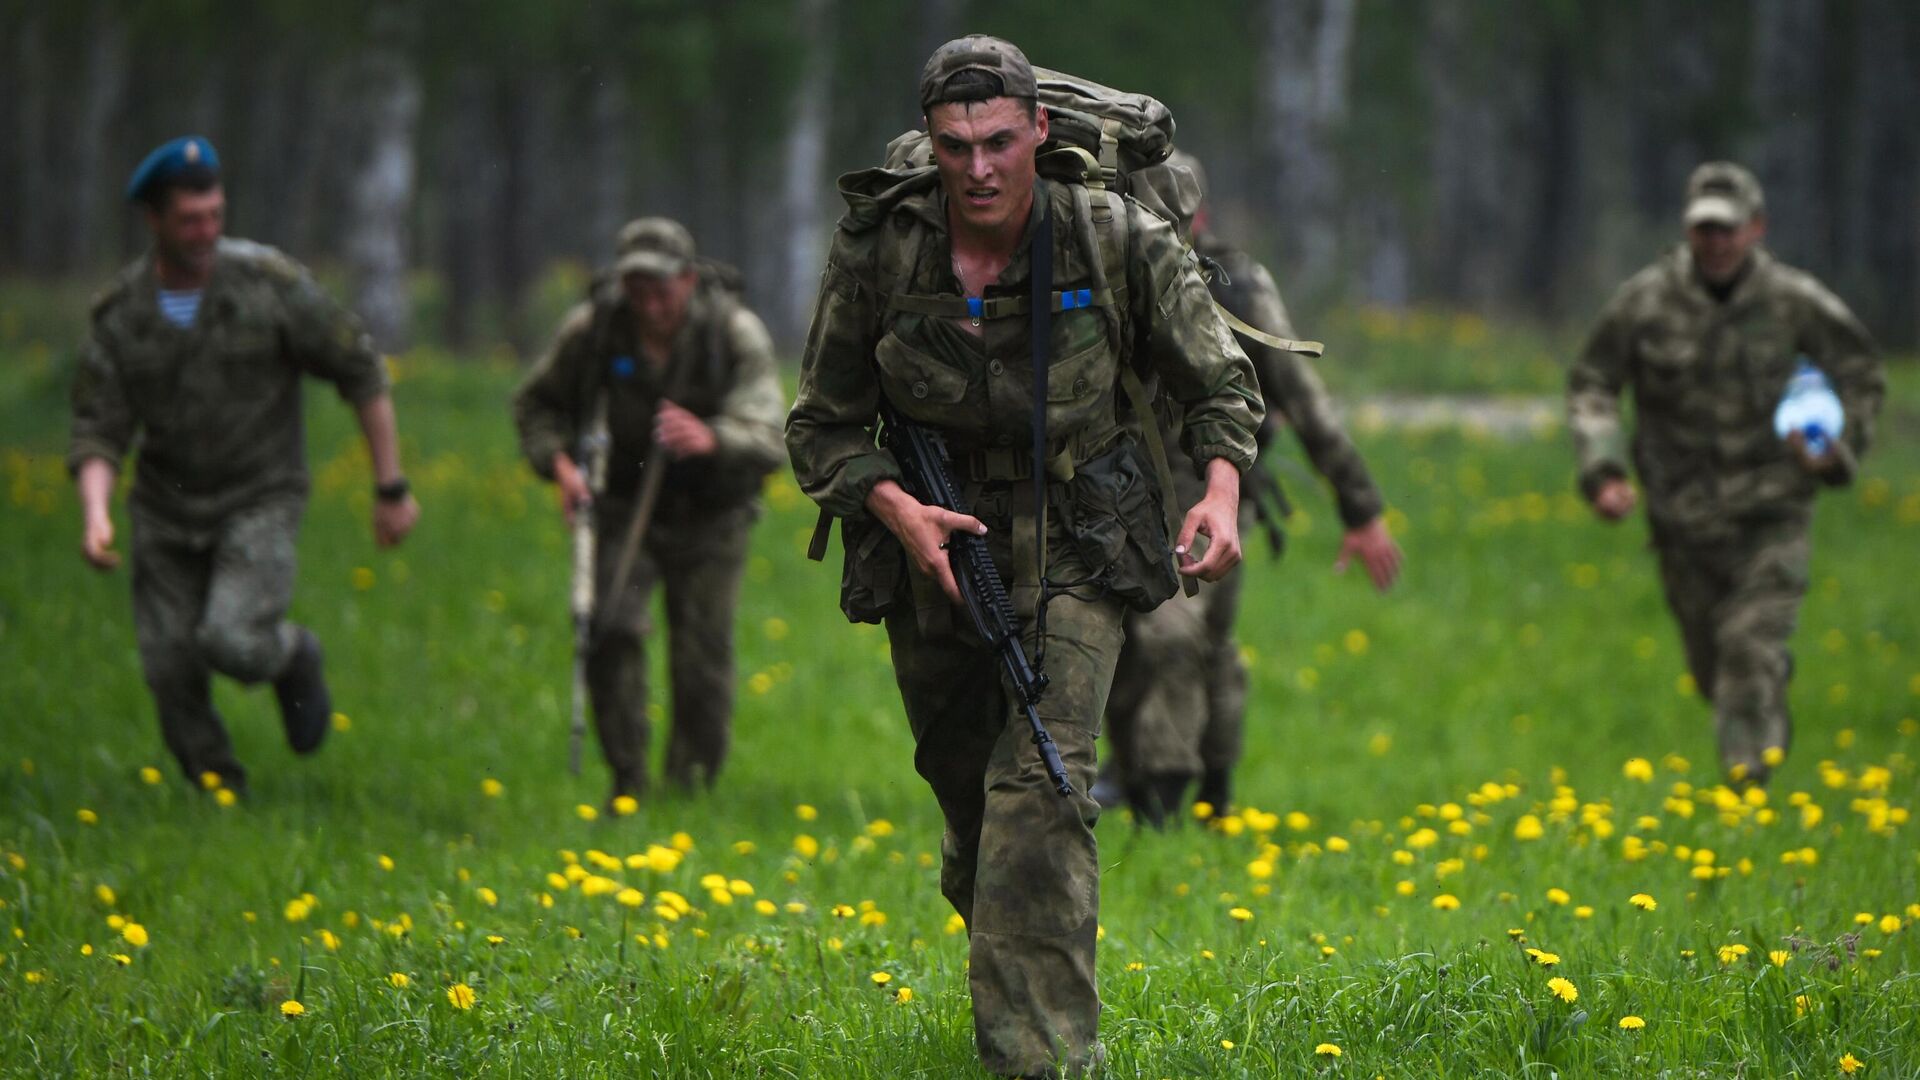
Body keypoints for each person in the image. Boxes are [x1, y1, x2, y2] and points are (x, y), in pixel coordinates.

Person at [786, 36, 1263, 1078]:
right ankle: (1002, 918)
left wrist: (1220, 491)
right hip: (933, 552)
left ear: (1039, 133)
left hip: (1082, 538)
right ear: (931, 146)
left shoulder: (1109, 234)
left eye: (1000, 141)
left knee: (1042, 796)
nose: (980, 169)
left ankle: (1042, 1062)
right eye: (956, 147)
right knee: (976, 808)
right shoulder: (881, 248)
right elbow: (818, 426)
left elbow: (1221, 383)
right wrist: (895, 507)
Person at [69, 135, 420, 796]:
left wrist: (391, 486)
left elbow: (361, 370)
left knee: (232, 639)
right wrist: (96, 515)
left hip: (260, 493)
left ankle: (292, 658)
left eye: (215, 216)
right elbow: (99, 428)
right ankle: (218, 793)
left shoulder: (270, 286)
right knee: (170, 664)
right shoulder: (123, 316)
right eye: (189, 220)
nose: (205, 232)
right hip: (166, 507)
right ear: (155, 222)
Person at [1101, 151, 1402, 825]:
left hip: (1209, 482)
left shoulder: (1234, 287)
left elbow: (1304, 396)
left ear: (1198, 216)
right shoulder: (1096, 269)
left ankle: (1183, 799)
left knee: (1186, 642)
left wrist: (1360, 507)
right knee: (1132, 643)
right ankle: (1144, 780)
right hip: (1114, 483)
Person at [1568, 161, 1883, 787]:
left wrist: (1837, 448)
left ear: (1756, 229)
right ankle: (1761, 693)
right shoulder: (1647, 302)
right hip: (1681, 520)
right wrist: (1602, 467)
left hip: (1771, 515)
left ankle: (1747, 795)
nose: (1714, 243)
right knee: (1714, 670)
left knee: (1746, 647)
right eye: (1703, 230)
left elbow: (1861, 374)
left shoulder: (1795, 302)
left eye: (1727, 230)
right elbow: (1594, 382)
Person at [513, 218, 785, 804]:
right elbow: (536, 406)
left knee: (702, 659)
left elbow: (771, 436)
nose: (648, 303)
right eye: (636, 288)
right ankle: (628, 780)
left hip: (713, 514)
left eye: (660, 288)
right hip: (623, 505)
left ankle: (688, 788)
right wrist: (560, 468)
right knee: (607, 626)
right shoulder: (596, 330)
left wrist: (712, 437)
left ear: (688, 280)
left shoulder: (733, 333)